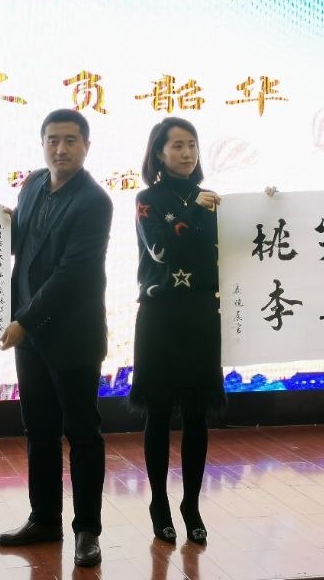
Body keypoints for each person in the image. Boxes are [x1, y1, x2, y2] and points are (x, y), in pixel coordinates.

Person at [0, 108, 113, 568]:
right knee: (39, 432)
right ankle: (44, 519)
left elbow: (72, 273)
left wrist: (24, 320)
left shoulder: (95, 201)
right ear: (42, 144)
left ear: (86, 146)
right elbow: (26, 247)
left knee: (82, 434)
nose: (60, 149)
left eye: (70, 140)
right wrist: (0, 228)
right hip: (30, 337)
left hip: (72, 336)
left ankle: (87, 531)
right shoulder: (31, 185)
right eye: (52, 140)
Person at [132, 117, 225, 544]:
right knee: (158, 412)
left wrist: (266, 204)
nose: (187, 153)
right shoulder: (147, 200)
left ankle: (191, 503)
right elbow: (162, 248)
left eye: (192, 144)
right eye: (177, 145)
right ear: (159, 153)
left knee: (196, 414)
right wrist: (195, 210)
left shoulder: (212, 199)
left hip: (202, 315)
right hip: (160, 316)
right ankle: (159, 503)